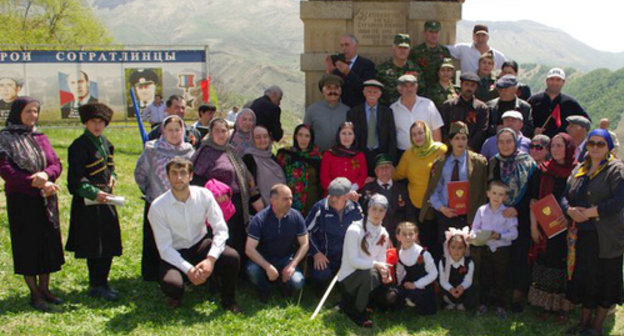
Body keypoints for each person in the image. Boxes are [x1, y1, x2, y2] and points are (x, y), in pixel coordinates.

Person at [147, 157, 241, 311]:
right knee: (172, 285)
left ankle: (229, 300)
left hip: (199, 244)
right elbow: (164, 248)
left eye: (183, 173)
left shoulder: (204, 195)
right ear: (167, 176)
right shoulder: (158, 207)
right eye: (174, 173)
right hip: (174, 251)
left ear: (191, 176)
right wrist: (188, 270)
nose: (178, 178)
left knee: (232, 257)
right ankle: (177, 294)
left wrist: (210, 260)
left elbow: (221, 229)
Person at [0, 97, 64, 311]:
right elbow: (7, 171)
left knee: (46, 243)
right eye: (28, 111)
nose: (33, 116)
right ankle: (34, 293)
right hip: (22, 201)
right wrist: (35, 183)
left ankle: (46, 289)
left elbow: (56, 163)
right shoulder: (5, 138)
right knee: (28, 245)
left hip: (45, 200)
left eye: (36, 111)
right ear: (18, 112)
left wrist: (46, 175)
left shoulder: (40, 137)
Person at [562, 129, 624, 336]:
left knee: (605, 278)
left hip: (605, 236)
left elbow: (618, 201)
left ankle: (596, 326)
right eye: (592, 143)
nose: (595, 148)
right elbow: (564, 195)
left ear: (609, 148)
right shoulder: (580, 169)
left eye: (600, 144)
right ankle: (583, 322)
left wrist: (590, 212)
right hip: (582, 235)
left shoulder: (616, 170)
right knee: (585, 277)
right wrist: (569, 210)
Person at [66, 103, 122, 301]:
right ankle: (96, 285)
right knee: (94, 244)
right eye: (93, 122)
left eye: (101, 122)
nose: (97, 126)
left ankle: (104, 281)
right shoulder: (78, 146)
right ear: (86, 123)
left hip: (106, 198)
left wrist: (113, 176)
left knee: (108, 241)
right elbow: (75, 179)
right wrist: (93, 192)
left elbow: (110, 167)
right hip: (89, 202)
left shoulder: (105, 143)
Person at [191, 118, 263, 262]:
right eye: (216, 131)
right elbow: (196, 178)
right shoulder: (205, 152)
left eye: (223, 131)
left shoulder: (231, 150)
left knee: (236, 236)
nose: (221, 134)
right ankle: (218, 272)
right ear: (210, 132)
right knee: (221, 238)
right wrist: (216, 192)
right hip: (218, 204)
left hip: (237, 202)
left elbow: (243, 173)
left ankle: (236, 271)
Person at [134, 115, 195, 282]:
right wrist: (150, 191)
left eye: (177, 130)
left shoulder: (189, 151)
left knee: (179, 238)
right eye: (170, 130)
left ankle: (179, 271)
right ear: (163, 131)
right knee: (155, 238)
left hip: (181, 202)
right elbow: (140, 173)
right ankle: (153, 273)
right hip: (156, 201)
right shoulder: (152, 150)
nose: (174, 134)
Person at [420, 122, 488, 259]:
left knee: (467, 253)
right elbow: (433, 191)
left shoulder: (478, 162)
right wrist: (442, 208)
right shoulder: (440, 163)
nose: (460, 142)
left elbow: (483, 190)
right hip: (446, 215)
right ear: (450, 141)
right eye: (456, 138)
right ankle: (445, 279)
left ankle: (466, 280)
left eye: (463, 138)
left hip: (468, 217)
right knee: (446, 253)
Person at [487, 127, 538, 313]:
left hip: (521, 217)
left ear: (515, 142)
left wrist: (517, 209)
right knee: (500, 255)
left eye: (509, 141)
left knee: (520, 257)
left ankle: (517, 297)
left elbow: (533, 193)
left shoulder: (529, 163)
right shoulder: (493, 162)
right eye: (501, 142)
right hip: (499, 216)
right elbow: (490, 188)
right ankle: (499, 293)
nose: (505, 145)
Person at [527, 133, 576, 321]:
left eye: (560, 146)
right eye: (553, 146)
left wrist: (569, 216)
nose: (555, 149)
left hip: (569, 227)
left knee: (564, 264)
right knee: (546, 262)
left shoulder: (577, 172)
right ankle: (546, 305)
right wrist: (533, 227)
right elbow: (533, 200)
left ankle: (562, 307)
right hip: (544, 227)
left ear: (569, 148)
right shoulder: (542, 171)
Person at [337, 194, 395, 327]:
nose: (377, 213)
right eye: (374, 209)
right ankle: (357, 312)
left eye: (381, 210)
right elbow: (353, 261)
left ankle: (351, 303)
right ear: (368, 209)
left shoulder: (384, 233)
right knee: (370, 274)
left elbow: (382, 259)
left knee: (388, 295)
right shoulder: (354, 229)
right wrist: (376, 265)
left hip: (370, 274)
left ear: (385, 213)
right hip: (349, 278)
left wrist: (386, 273)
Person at [245, 184, 309, 302]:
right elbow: (249, 249)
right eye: (285, 199)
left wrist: (292, 265)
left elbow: (305, 243)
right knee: (252, 271)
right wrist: (267, 266)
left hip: (286, 259)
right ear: (273, 200)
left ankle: (284, 285)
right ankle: (264, 288)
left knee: (298, 282)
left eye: (291, 198)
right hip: (264, 259)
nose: (290, 202)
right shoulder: (259, 219)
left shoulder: (296, 216)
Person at [394, 121, 447, 252]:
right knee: (427, 242)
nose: (417, 137)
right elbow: (398, 174)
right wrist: (380, 174)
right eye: (413, 135)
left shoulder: (441, 149)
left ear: (427, 133)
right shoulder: (408, 154)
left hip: (440, 205)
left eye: (420, 133)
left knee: (442, 241)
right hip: (419, 207)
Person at [306, 177, 363, 293]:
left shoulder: (355, 208)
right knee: (321, 275)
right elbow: (306, 231)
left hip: (346, 257)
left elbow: (363, 230)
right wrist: (316, 253)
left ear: (347, 196)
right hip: (325, 256)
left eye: (337, 196)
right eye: (331, 194)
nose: (332, 199)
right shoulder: (320, 208)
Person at [472, 180, 519, 319]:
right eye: (494, 193)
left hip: (501, 250)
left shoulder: (507, 213)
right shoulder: (481, 210)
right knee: (484, 276)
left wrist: (500, 236)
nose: (496, 197)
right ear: (488, 194)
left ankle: (500, 306)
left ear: (505, 197)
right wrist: (476, 236)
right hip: (485, 248)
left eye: (501, 194)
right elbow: (475, 228)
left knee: (501, 278)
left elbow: (514, 234)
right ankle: (483, 304)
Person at [346, 79, 397, 174]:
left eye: (375, 92)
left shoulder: (387, 112)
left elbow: (392, 136)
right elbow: (350, 136)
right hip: (361, 153)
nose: (372, 94)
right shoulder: (353, 113)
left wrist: (391, 158)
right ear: (364, 93)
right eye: (369, 91)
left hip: (381, 153)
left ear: (380, 94)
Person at [360, 154, 413, 243]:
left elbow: (409, 212)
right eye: (381, 168)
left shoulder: (402, 188)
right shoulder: (368, 189)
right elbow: (364, 214)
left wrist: (412, 232)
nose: (384, 170)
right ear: (376, 171)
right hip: (376, 235)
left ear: (392, 170)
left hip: (399, 235)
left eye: (387, 167)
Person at [528, 67, 590, 137]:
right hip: (537, 145)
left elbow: (586, 121)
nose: (554, 82)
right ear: (547, 81)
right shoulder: (534, 100)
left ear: (563, 82)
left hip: (562, 146)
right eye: (552, 79)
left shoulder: (570, 103)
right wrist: (533, 131)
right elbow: (523, 122)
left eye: (558, 80)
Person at [391, 74, 444, 154]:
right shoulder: (393, 109)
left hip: (428, 152)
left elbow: (436, 129)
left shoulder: (428, 104)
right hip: (403, 154)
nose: (409, 89)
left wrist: (437, 153)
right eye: (405, 86)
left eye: (412, 85)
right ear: (399, 89)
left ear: (416, 87)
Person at [276, 124, 322, 215]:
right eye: (300, 135)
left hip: (310, 202)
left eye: (307, 136)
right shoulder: (285, 154)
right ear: (295, 136)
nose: (303, 139)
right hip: (289, 201)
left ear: (311, 138)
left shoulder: (317, 158)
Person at [439, 72, 489, 152]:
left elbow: (482, 131)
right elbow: (443, 129)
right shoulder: (448, 105)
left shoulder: (481, 108)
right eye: (466, 84)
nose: (469, 88)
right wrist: (452, 146)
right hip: (450, 151)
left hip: (472, 151)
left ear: (476, 87)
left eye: (472, 85)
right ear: (461, 85)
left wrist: (468, 147)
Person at [395, 221, 438, 315]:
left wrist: (416, 284)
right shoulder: (400, 252)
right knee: (394, 294)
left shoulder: (423, 254)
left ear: (416, 235)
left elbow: (434, 273)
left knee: (418, 297)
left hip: (423, 285)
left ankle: (413, 302)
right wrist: (399, 285)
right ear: (398, 237)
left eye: (411, 234)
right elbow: (400, 272)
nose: (407, 237)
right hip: (409, 283)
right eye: (404, 234)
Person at [325, 34, 376, 108]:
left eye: (347, 45)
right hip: (340, 109)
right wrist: (329, 73)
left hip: (359, 109)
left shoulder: (367, 64)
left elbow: (366, 89)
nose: (344, 48)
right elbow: (329, 90)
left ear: (355, 46)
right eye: (341, 45)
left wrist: (348, 73)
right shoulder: (337, 66)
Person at [242, 125, 287, 206]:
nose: (262, 140)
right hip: (261, 209)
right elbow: (249, 186)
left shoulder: (272, 156)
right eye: (258, 137)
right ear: (252, 140)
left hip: (280, 207)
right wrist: (262, 210)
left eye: (265, 136)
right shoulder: (248, 159)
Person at [304, 74, 350, 152]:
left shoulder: (348, 111)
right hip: (317, 157)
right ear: (323, 91)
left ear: (341, 91)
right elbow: (305, 133)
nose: (332, 91)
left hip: (341, 157)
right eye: (329, 88)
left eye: (336, 88)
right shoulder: (312, 110)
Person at [320, 122, 367, 194]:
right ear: (338, 135)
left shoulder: (359, 155)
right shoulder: (329, 154)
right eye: (343, 133)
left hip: (353, 194)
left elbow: (363, 176)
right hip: (333, 195)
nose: (347, 137)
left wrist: (351, 189)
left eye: (350, 133)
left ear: (354, 136)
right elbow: (324, 178)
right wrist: (337, 192)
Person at [376, 34, 422, 106]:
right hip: (388, 111)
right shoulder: (382, 70)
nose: (402, 51)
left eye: (405, 48)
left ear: (409, 49)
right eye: (400, 47)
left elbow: (421, 91)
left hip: (410, 110)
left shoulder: (416, 70)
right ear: (394, 48)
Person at [409, 20, 452, 94]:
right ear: (425, 33)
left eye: (436, 32)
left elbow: (449, 73)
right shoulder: (416, 52)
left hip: (439, 93)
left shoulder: (444, 51)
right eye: (431, 32)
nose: (434, 35)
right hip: (421, 92)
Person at [438, 227, 475, 311]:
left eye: (460, 248)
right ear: (448, 248)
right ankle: (450, 303)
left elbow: (468, 280)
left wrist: (461, 287)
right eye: (453, 247)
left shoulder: (469, 262)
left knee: (471, 289)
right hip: (449, 287)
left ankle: (461, 304)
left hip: (462, 288)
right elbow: (443, 281)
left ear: (465, 249)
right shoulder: (443, 262)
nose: (456, 251)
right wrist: (451, 289)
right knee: (442, 290)